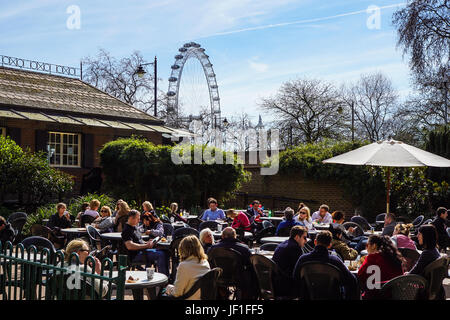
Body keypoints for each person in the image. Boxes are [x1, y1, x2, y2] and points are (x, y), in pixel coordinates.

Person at [293, 230, 357, 300]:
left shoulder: (303, 259)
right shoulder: (335, 261)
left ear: (315, 242)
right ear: (330, 245)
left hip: (308, 296)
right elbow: (352, 280)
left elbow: (295, 277)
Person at [208, 227, 257, 299]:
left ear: (222, 236)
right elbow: (250, 263)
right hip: (239, 278)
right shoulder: (243, 248)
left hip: (218, 276)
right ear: (235, 236)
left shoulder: (213, 248)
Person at [121, 210, 169, 276]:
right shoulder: (127, 230)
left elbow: (139, 241)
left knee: (165, 252)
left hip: (142, 251)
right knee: (161, 254)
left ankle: (166, 276)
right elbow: (130, 246)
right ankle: (163, 278)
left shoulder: (134, 227)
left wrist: (148, 242)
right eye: (138, 219)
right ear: (131, 218)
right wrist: (146, 246)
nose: (139, 221)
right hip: (135, 255)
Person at [357, 234, 404, 300]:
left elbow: (360, 276)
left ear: (374, 246)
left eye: (367, 245)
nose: (366, 248)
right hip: (396, 295)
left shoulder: (372, 258)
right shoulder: (394, 257)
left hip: (376, 296)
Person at [165, 235, 210, 300]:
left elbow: (177, 293)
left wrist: (168, 288)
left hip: (189, 298)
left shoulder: (184, 266)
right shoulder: (205, 261)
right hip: (202, 297)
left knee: (161, 291)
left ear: (183, 249)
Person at [272, 226, 308, 297]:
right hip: (286, 286)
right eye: (304, 237)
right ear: (297, 237)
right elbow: (298, 271)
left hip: (276, 282)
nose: (306, 241)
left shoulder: (282, 244)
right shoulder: (295, 248)